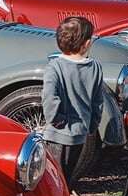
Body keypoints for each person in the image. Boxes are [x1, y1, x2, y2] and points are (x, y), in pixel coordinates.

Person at [41, 16, 104, 183]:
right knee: (68, 176)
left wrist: (57, 121)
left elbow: (49, 99)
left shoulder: (55, 67)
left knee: (53, 178)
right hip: (80, 133)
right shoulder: (95, 68)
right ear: (87, 44)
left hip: (57, 135)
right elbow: (97, 102)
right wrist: (91, 125)